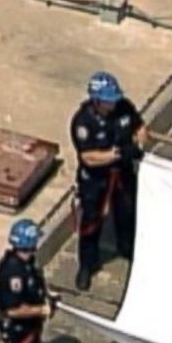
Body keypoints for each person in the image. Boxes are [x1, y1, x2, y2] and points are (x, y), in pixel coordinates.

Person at [69, 71, 149, 291]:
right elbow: (88, 157)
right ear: (97, 100)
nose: (113, 104)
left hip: (122, 174)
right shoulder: (83, 122)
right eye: (108, 100)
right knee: (91, 224)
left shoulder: (124, 108)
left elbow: (140, 127)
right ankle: (87, 266)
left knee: (127, 212)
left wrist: (138, 144)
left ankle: (127, 248)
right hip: (96, 179)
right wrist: (116, 154)